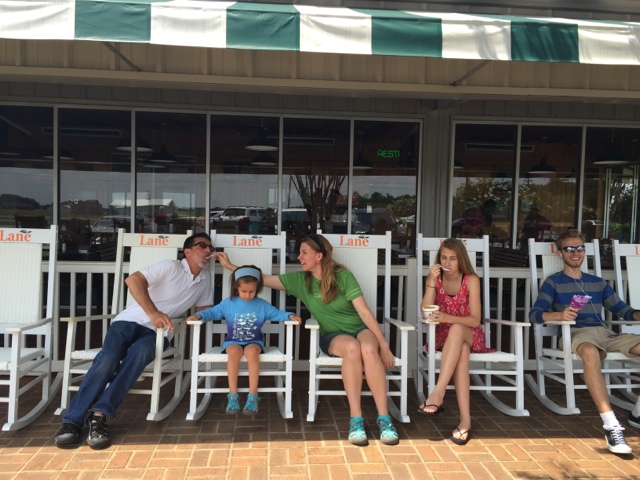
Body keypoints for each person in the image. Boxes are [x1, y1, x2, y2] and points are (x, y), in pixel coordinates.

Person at [214, 233, 399, 446]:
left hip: (359, 328)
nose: (299, 257)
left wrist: (384, 346)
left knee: (368, 348)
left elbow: (365, 313)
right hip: (333, 335)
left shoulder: (343, 276)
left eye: (304, 253)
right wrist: (230, 266)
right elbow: (261, 278)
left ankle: (384, 418)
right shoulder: (301, 281)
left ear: (319, 256)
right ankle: (356, 419)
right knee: (352, 348)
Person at [54, 232, 215, 450]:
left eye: (210, 248)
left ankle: (99, 415)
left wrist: (197, 318)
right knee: (108, 359)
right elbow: (133, 280)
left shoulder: (204, 281)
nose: (208, 250)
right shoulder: (171, 266)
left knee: (140, 353)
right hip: (128, 322)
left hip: (157, 333)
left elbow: (203, 311)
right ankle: (72, 421)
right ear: (187, 251)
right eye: (202, 245)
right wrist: (153, 313)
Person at [529, 229, 640, 455]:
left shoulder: (598, 283)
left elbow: (624, 311)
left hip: (605, 334)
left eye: (579, 247)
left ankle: (637, 412)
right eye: (569, 248)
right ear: (560, 253)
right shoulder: (553, 282)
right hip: (575, 334)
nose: (575, 252)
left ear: (584, 250)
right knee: (590, 352)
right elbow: (535, 314)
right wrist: (559, 315)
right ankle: (611, 425)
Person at [186, 265, 302, 416]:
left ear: (257, 288)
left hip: (255, 341)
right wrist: (198, 316)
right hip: (233, 340)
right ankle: (233, 395)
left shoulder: (261, 305)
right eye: (244, 291)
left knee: (252, 352)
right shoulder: (228, 303)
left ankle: (252, 396)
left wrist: (290, 316)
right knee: (234, 352)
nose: (248, 295)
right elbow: (213, 312)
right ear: (236, 288)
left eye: (252, 291)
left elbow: (277, 314)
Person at [417, 238, 492, 446]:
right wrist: (430, 282)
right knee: (462, 353)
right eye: (443, 258)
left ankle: (438, 391)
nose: (447, 263)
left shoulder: (471, 280)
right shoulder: (436, 279)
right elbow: (424, 312)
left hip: (470, 332)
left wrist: (448, 318)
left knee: (458, 329)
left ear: (461, 260)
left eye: (452, 258)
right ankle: (465, 421)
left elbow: (475, 320)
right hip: (445, 336)